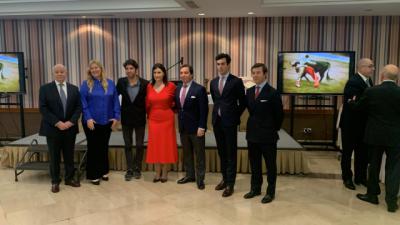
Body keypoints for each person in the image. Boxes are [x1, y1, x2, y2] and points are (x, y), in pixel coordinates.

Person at [354, 64, 400, 213]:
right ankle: (391, 202)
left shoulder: (372, 91)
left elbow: (359, 108)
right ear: (397, 78)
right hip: (395, 136)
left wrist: (353, 101)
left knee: (374, 165)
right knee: (394, 169)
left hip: (374, 135)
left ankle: (372, 195)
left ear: (382, 76)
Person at [243, 63, 284, 204]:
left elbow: (279, 116)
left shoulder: (273, 92)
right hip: (252, 135)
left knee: (270, 165)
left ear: (265, 74)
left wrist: (272, 129)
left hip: (268, 136)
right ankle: (255, 189)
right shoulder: (249, 92)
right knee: (254, 164)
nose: (255, 75)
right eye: (253, 73)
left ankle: (270, 192)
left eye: (258, 72)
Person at [39, 64, 81, 193]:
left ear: (66, 72)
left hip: (70, 128)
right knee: (54, 157)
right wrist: (57, 123)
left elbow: (78, 107)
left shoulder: (74, 89)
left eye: (62, 71)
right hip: (53, 129)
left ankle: (69, 179)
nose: (59, 74)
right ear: (53, 74)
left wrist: (71, 122)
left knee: (69, 156)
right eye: (57, 72)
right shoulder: (45, 88)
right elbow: (43, 108)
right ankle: (55, 181)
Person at [209, 53, 246, 197]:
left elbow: (242, 102)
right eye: (218, 64)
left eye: (223, 64)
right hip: (217, 122)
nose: (220, 66)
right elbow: (216, 100)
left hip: (230, 123)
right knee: (221, 152)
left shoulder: (236, 81)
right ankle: (224, 179)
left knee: (231, 153)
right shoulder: (213, 82)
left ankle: (231, 184)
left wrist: (234, 115)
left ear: (228, 64)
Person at [80, 60, 120, 185]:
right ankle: (93, 174)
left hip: (107, 121)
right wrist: (88, 118)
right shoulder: (85, 84)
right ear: (89, 71)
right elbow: (83, 102)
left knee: (103, 146)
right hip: (92, 122)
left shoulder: (110, 83)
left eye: (96, 67)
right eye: (92, 68)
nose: (94, 70)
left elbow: (115, 101)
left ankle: (104, 170)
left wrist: (116, 117)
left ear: (101, 69)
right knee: (93, 147)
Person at [339, 58, 374, 190]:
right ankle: (347, 178)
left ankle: (360, 177)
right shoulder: (353, 82)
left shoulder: (368, 80)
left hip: (363, 125)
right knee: (347, 153)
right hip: (351, 125)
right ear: (361, 67)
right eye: (370, 66)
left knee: (362, 153)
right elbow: (353, 105)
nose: (372, 69)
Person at [175, 64, 208, 190]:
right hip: (183, 128)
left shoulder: (199, 89)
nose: (183, 75)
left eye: (186, 73)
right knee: (187, 153)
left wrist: (202, 127)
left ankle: (200, 179)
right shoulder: (178, 89)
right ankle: (190, 175)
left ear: (191, 74)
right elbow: (179, 108)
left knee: (199, 154)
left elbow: (204, 110)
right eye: (181, 73)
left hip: (196, 129)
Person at [116, 59, 149, 181]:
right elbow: (114, 98)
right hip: (126, 118)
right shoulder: (121, 82)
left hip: (140, 118)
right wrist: (116, 114)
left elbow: (149, 101)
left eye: (131, 68)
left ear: (136, 69)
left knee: (139, 145)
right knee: (128, 145)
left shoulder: (145, 83)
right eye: (127, 69)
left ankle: (137, 168)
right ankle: (129, 169)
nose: (129, 71)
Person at [146, 63, 177, 183]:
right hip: (153, 119)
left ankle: (165, 172)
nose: (156, 75)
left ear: (164, 73)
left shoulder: (171, 86)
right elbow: (147, 104)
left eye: (159, 72)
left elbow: (175, 102)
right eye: (154, 73)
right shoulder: (149, 86)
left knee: (166, 145)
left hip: (167, 119)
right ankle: (157, 172)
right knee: (155, 145)